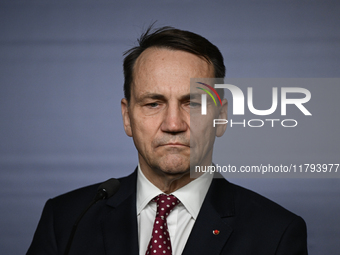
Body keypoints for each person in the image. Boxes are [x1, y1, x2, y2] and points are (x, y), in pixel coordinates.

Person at [27, 26, 308, 255]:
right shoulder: (65, 219)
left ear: (221, 117)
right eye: (153, 103)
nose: (173, 125)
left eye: (193, 103)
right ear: (127, 117)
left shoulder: (277, 233)